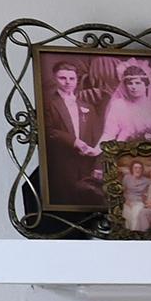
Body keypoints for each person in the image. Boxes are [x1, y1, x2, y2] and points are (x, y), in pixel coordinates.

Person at [41, 57, 104, 205]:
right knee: (66, 202)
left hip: (87, 166)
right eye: (62, 78)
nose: (68, 82)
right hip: (62, 165)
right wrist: (73, 141)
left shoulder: (88, 107)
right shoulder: (48, 104)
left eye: (71, 78)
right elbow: (47, 131)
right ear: (55, 79)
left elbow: (99, 138)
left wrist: (98, 166)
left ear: (77, 80)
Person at [99, 60, 151, 145]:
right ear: (125, 86)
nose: (133, 87)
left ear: (146, 84)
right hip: (125, 149)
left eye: (138, 83)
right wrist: (96, 150)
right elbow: (109, 134)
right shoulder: (118, 105)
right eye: (130, 83)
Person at [120, 157, 151, 232]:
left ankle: (134, 234)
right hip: (127, 202)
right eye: (136, 168)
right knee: (126, 216)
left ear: (142, 170)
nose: (138, 170)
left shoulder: (147, 181)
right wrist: (126, 200)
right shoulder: (127, 178)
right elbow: (123, 191)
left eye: (140, 168)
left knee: (135, 216)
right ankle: (127, 234)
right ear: (132, 169)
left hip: (139, 202)